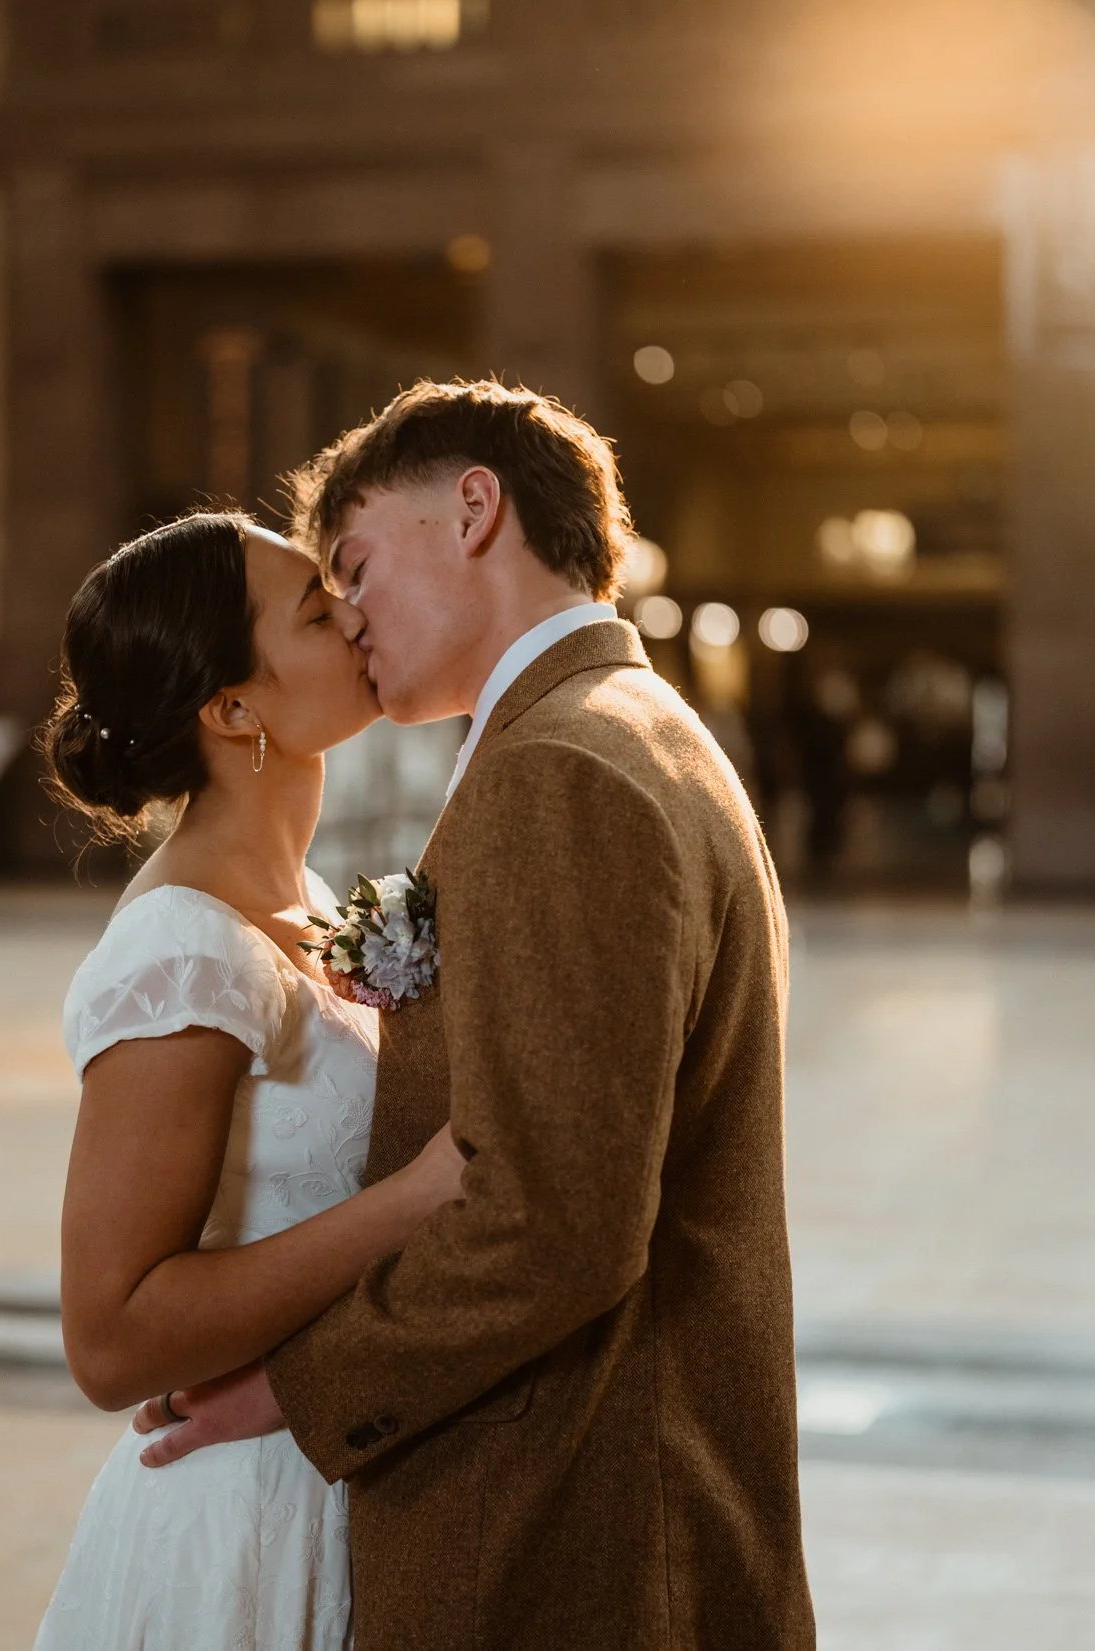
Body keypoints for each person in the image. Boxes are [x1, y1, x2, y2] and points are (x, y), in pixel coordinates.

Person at [133, 381, 815, 1650]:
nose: (343, 616)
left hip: (569, 1526)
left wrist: (296, 1385)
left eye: (351, 564)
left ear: (473, 508)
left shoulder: (560, 766)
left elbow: (549, 1215)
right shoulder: (636, 729)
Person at [32, 511, 467, 1650]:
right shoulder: (183, 948)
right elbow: (110, 1338)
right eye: (320, 612)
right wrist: (410, 1203)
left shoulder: (309, 901)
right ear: (234, 710)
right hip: (242, 1518)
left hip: (331, 1451)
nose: (358, 613)